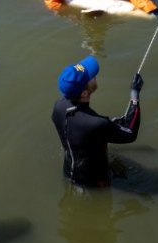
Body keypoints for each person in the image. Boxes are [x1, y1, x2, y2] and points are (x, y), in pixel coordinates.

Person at [51, 55, 143, 187]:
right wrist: (135, 96)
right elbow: (130, 133)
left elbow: (80, 129)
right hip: (95, 182)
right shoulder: (97, 124)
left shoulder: (58, 107)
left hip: (69, 172)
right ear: (84, 93)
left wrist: (108, 125)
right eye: (91, 77)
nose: (94, 76)